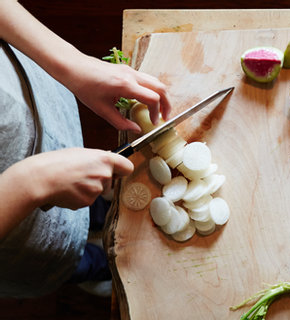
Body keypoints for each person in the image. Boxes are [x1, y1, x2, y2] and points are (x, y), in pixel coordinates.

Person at [0, 0, 171, 297]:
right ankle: (94, 264)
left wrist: (71, 62)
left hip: (23, 91)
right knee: (61, 256)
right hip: (15, 235)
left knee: (89, 198)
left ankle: (96, 214)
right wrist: (28, 184)